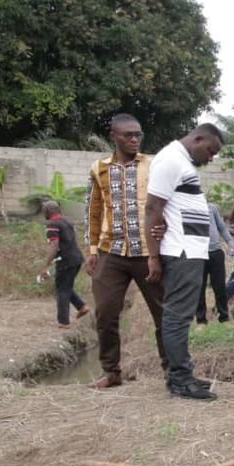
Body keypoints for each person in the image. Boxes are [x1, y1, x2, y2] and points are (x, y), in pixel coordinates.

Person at [84, 113, 166, 388]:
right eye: (128, 135)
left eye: (138, 135)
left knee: (164, 313)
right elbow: (94, 211)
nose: (134, 139)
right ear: (114, 136)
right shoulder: (99, 168)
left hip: (147, 252)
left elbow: (167, 203)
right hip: (111, 251)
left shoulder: (153, 165)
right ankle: (111, 372)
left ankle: (174, 370)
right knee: (105, 313)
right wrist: (92, 249)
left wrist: (164, 231)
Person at [145, 123, 225, 400]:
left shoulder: (181, 162)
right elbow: (153, 207)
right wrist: (153, 255)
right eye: (211, 151)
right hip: (180, 251)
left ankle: (182, 373)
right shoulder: (170, 160)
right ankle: (179, 379)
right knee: (177, 316)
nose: (211, 157)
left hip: (191, 251)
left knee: (180, 315)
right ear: (198, 138)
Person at [38, 200, 88, 329]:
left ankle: (63, 322)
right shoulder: (67, 221)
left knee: (62, 290)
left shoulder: (52, 224)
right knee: (65, 286)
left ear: (48, 211)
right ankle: (82, 306)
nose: (43, 212)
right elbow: (72, 241)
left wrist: (46, 266)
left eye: (44, 210)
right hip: (76, 259)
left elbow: (54, 245)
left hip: (65, 260)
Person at [195, 203, 234, 326]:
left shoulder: (211, 207)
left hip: (215, 252)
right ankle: (201, 321)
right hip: (196, 254)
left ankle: (224, 318)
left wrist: (230, 242)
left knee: (219, 286)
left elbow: (221, 227)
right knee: (199, 288)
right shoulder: (186, 207)